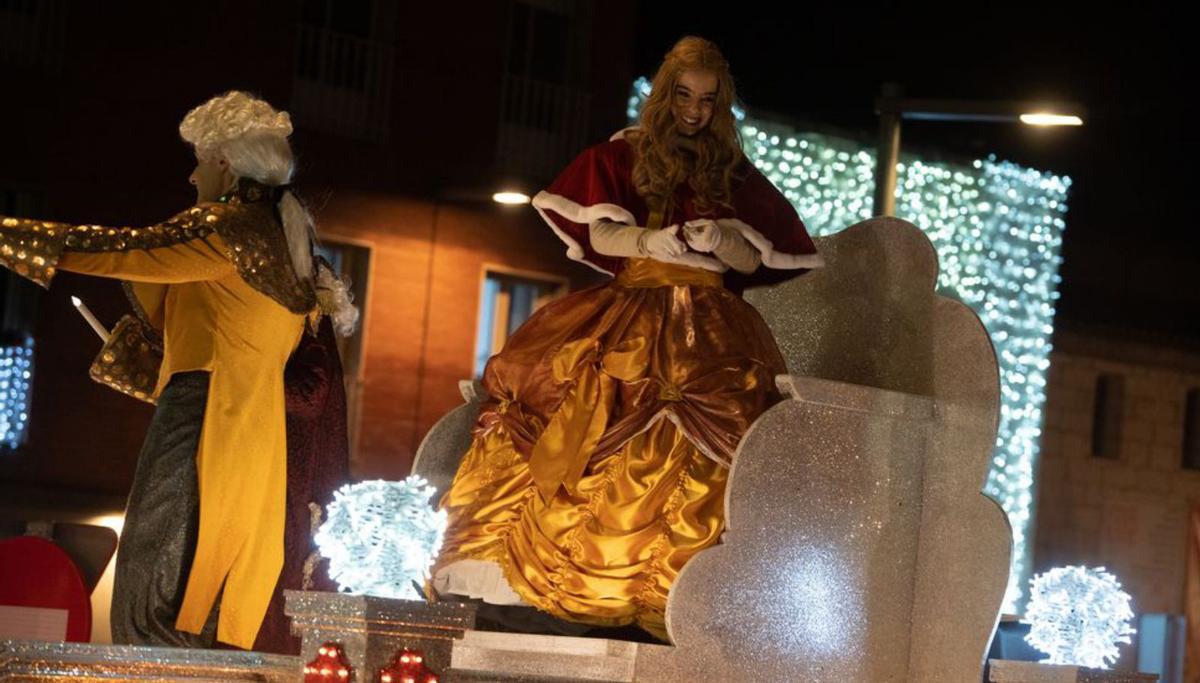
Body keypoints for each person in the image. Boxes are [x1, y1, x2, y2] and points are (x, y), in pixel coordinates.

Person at [431, 37, 824, 640]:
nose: (694, 111)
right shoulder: (625, 157)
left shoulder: (735, 175)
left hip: (715, 328)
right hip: (633, 309)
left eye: (708, 101)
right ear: (666, 95)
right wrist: (647, 243)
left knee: (713, 436)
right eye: (685, 96)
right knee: (584, 404)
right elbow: (603, 232)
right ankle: (549, 589)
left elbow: (757, 256)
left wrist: (720, 244)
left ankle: (680, 597)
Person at [0, 91, 354, 650]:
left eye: (197, 159)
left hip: (201, 423)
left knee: (152, 586)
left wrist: (13, 236)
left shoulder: (226, 229)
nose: (191, 177)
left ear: (222, 162)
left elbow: (123, 249)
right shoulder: (295, 250)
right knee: (206, 591)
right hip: (256, 444)